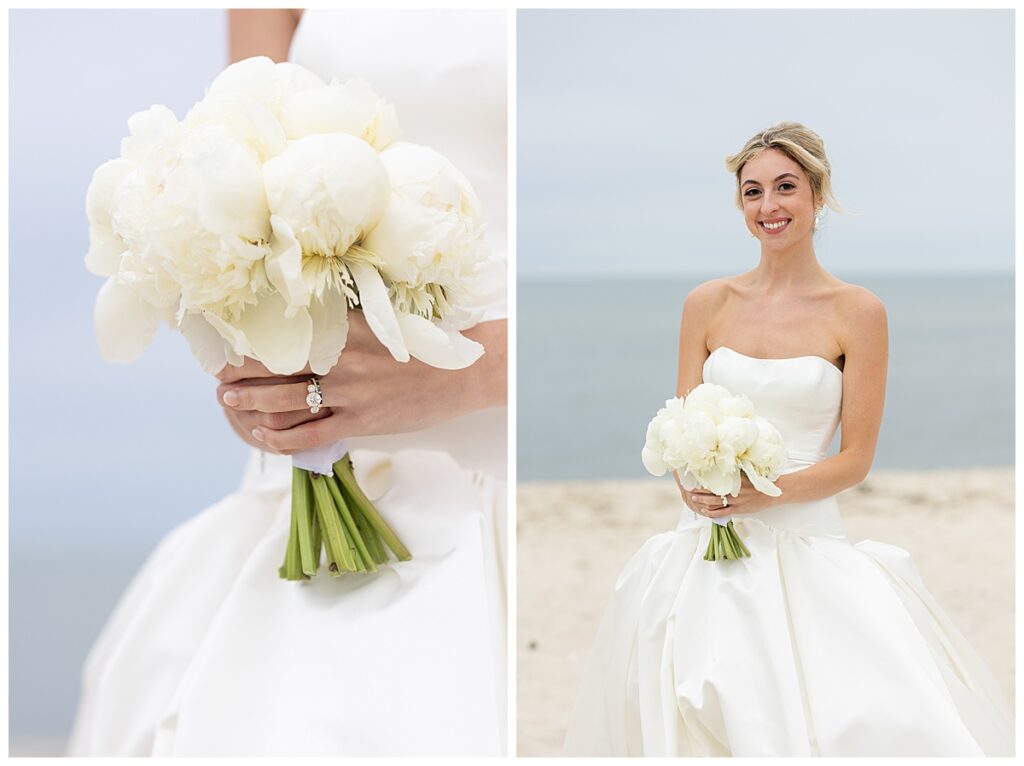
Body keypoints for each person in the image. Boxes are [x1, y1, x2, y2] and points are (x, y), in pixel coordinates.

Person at [68, 9, 508, 756]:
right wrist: (251, 368)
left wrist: (472, 369)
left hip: (496, 446)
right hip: (322, 446)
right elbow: (233, 153)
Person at [562, 121, 1012, 756]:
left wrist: (765, 495)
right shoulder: (706, 303)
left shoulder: (858, 313)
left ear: (817, 196)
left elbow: (856, 459)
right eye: (752, 192)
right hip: (703, 545)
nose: (768, 206)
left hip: (806, 541)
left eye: (785, 187)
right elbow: (684, 425)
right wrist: (691, 480)